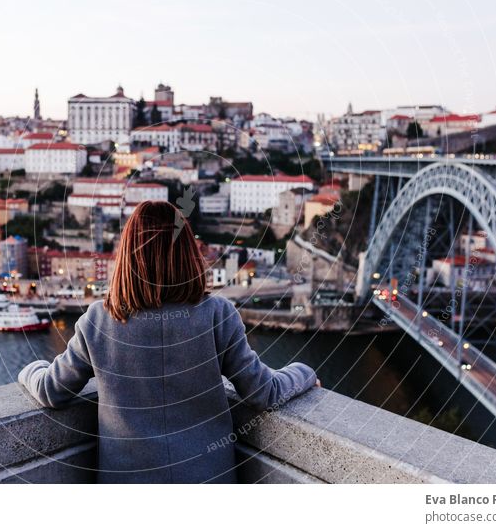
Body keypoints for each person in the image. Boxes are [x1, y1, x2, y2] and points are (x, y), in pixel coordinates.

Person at [18, 200, 319, 483]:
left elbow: (50, 392)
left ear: (127, 255)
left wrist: (31, 368)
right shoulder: (217, 315)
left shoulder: (98, 321)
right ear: (187, 252)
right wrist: (305, 372)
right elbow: (265, 392)